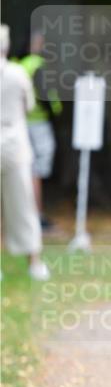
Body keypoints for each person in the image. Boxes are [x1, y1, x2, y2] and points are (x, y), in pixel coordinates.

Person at [0, 25, 50, 281]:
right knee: (23, 205)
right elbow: (29, 104)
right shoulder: (18, 73)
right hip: (15, 145)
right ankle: (34, 262)